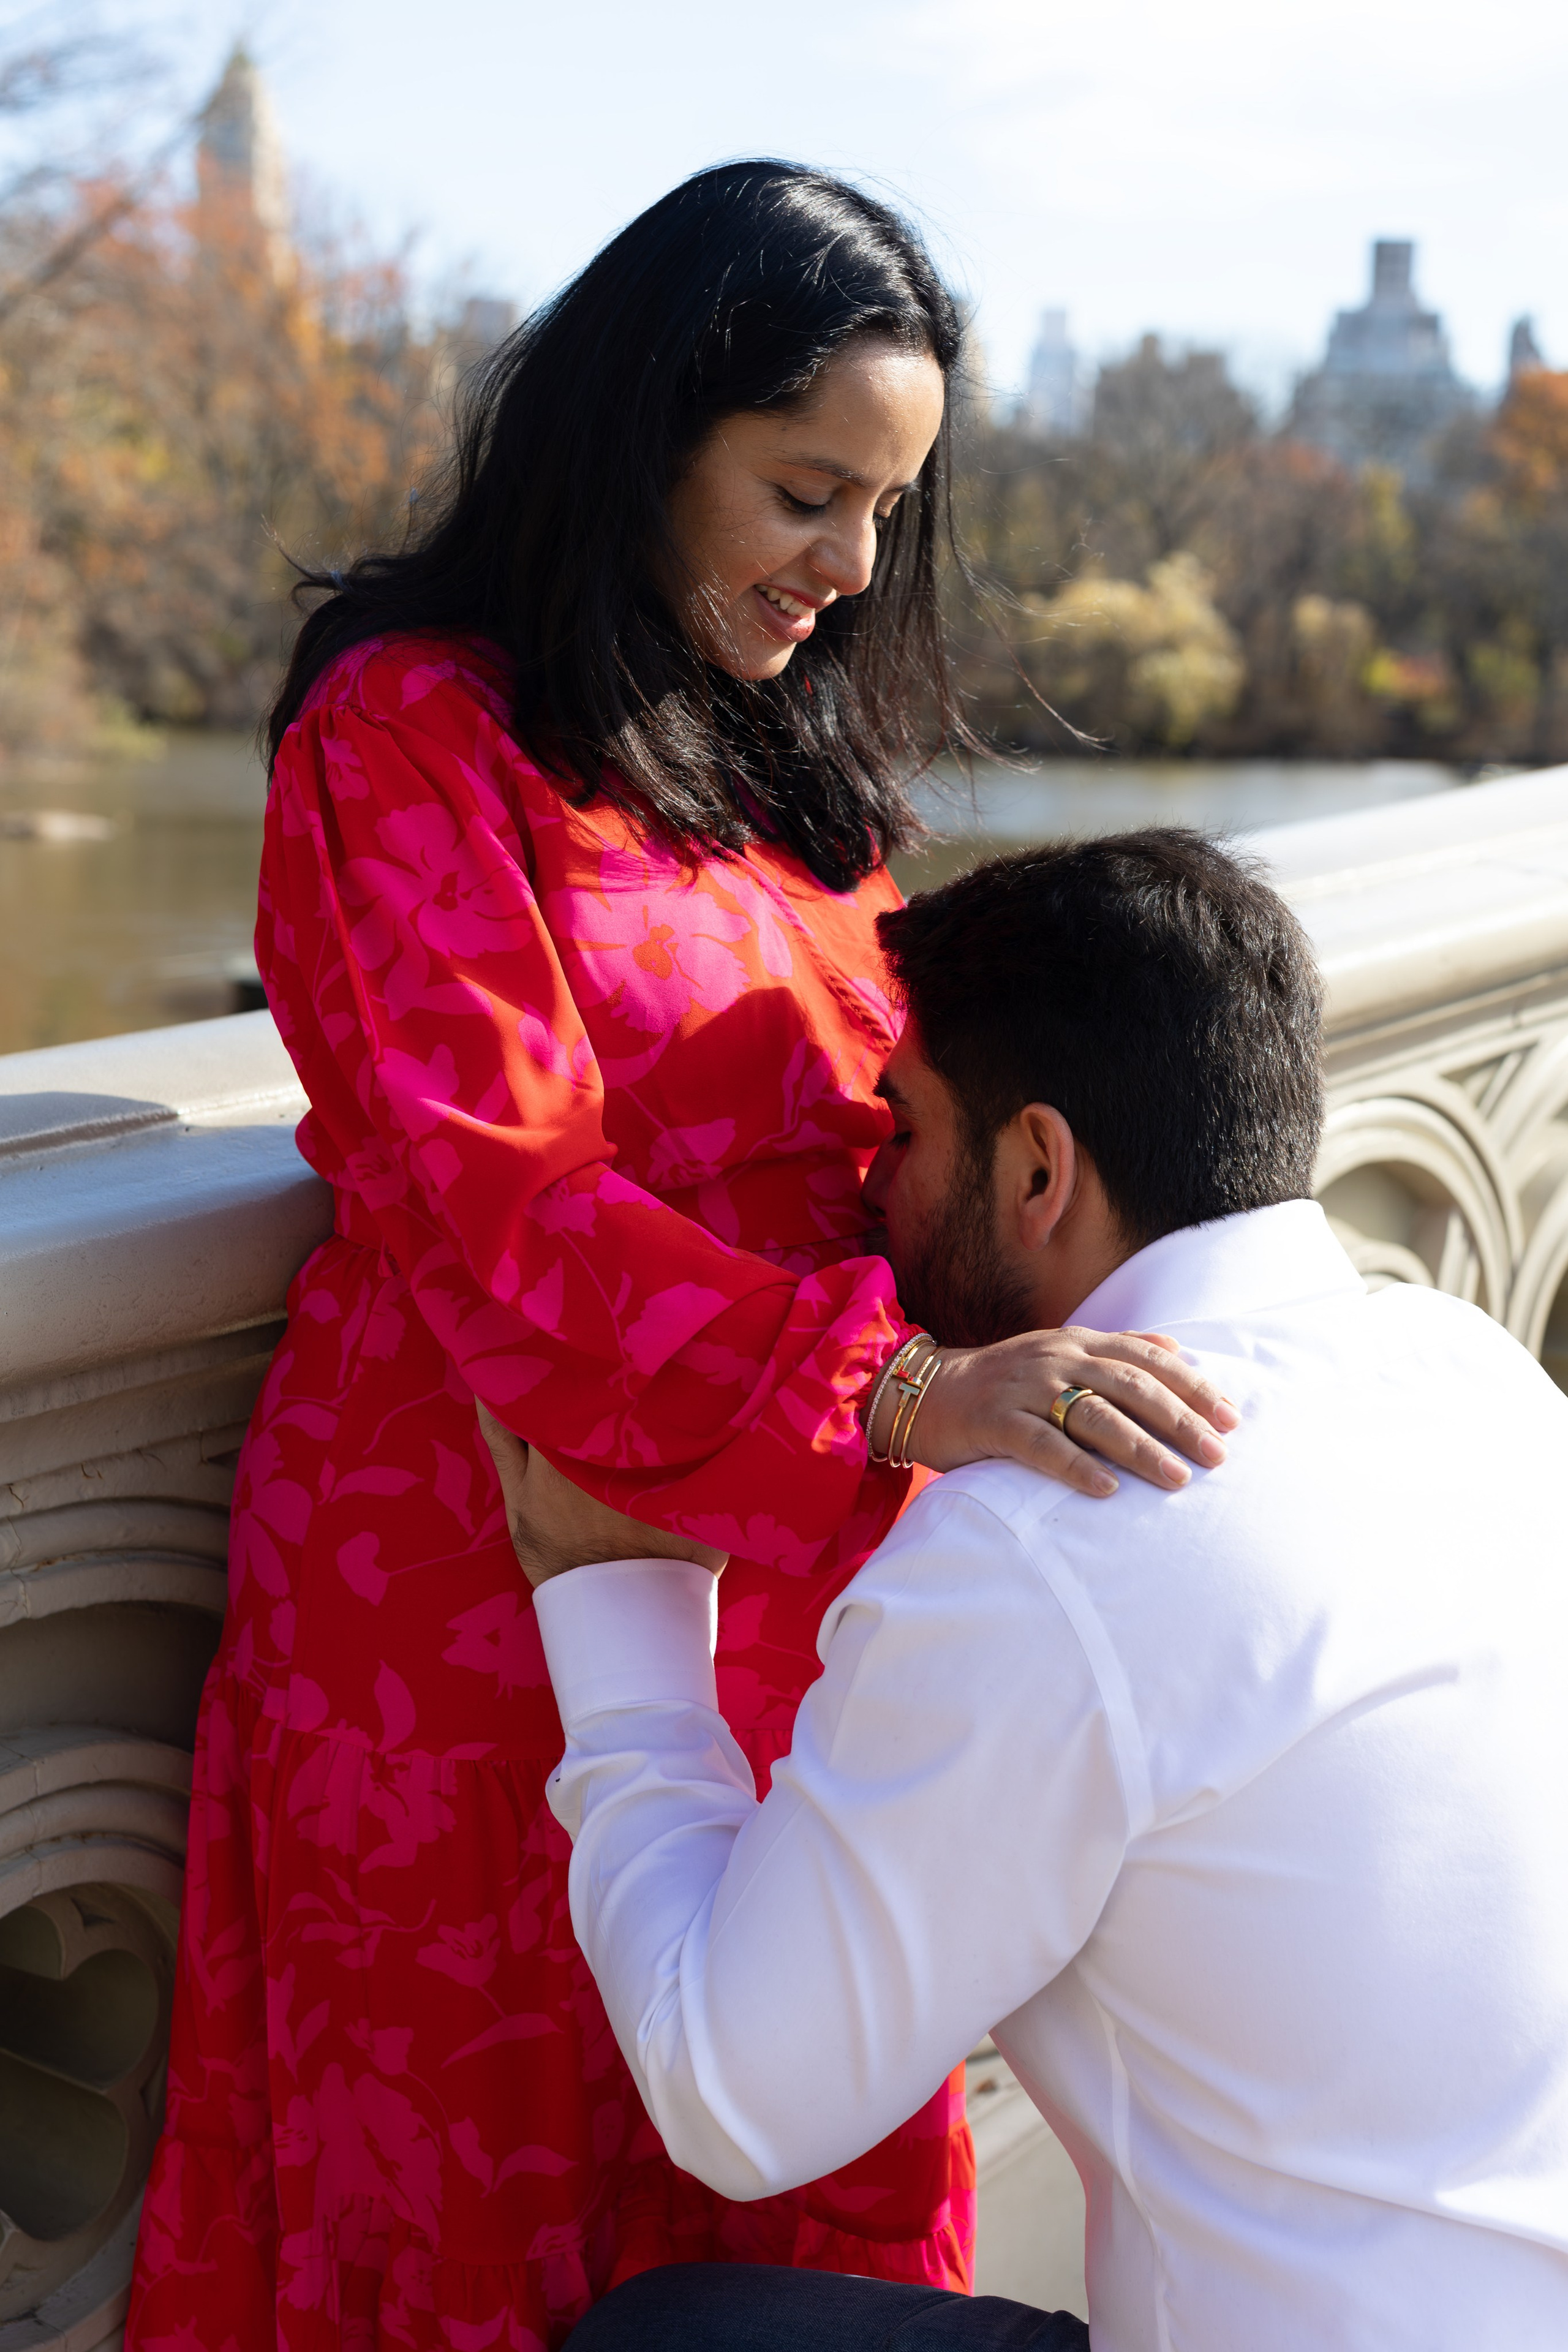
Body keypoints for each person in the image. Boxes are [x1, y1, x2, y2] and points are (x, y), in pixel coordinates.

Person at [127, 171, 1232, 2352]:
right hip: (475, 1588)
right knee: (480, 2217)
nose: (856, 566)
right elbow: (496, 1198)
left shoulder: (789, 763)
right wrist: (896, 1394)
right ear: (645, 432)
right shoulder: (407, 730)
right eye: (809, 494)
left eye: (888, 509)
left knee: (802, 2198)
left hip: (813, 1609)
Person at [487, 832, 1568, 2352]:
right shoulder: (1479, 1377)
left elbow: (730, 2100)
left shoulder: (1056, 1531)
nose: (870, 1187)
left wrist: (620, 1605)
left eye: (902, 1129)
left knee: (668, 2339)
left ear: (1037, 1169)